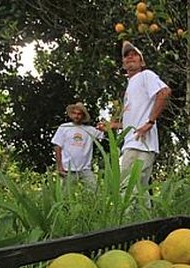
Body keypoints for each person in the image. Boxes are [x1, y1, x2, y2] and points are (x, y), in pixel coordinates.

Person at [100, 41, 171, 193]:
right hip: (133, 143)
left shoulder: (146, 75)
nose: (130, 56)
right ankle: (144, 217)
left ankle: (129, 218)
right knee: (139, 191)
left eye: (134, 54)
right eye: (126, 55)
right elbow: (133, 119)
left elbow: (164, 92)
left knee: (128, 189)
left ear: (141, 61)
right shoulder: (131, 84)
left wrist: (150, 122)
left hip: (140, 144)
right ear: (123, 64)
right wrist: (113, 126)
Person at [52, 102, 104, 188]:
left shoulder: (90, 130)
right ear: (71, 114)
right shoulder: (64, 128)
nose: (76, 116)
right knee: (66, 196)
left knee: (94, 192)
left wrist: (104, 125)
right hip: (68, 168)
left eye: (79, 114)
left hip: (85, 168)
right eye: (74, 113)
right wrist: (59, 166)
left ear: (83, 116)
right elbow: (57, 147)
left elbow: (104, 133)